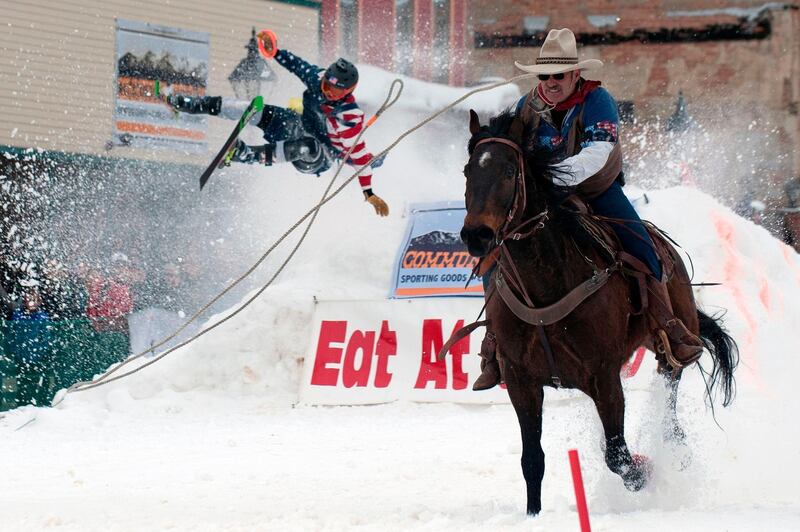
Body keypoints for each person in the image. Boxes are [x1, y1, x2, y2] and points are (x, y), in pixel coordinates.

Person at [472, 28, 703, 390]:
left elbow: (597, 153)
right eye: (544, 76)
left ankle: (666, 328)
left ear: (574, 75)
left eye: (558, 76)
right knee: (497, 252)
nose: (550, 83)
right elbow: (507, 142)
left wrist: (553, 177)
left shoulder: (598, 100)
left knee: (642, 246)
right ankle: (494, 346)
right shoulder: (526, 105)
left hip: (597, 190)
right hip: (545, 201)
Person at [164, 30, 389, 217]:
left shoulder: (349, 117)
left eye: (335, 90)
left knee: (306, 146)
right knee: (256, 110)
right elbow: (297, 65)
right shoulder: (317, 79)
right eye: (326, 86)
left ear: (348, 91)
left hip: (320, 156)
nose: (328, 92)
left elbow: (360, 159)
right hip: (298, 125)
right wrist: (275, 52)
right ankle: (191, 104)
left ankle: (247, 154)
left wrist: (369, 194)